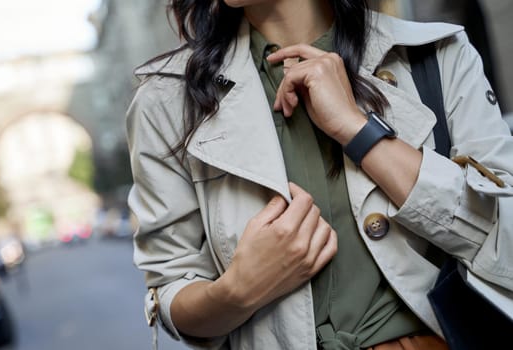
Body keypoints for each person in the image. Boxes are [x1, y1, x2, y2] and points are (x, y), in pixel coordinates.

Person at [126, 1, 513, 349]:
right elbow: (170, 290)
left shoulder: (435, 54)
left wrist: (359, 131)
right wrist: (237, 292)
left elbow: (506, 248)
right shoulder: (167, 99)